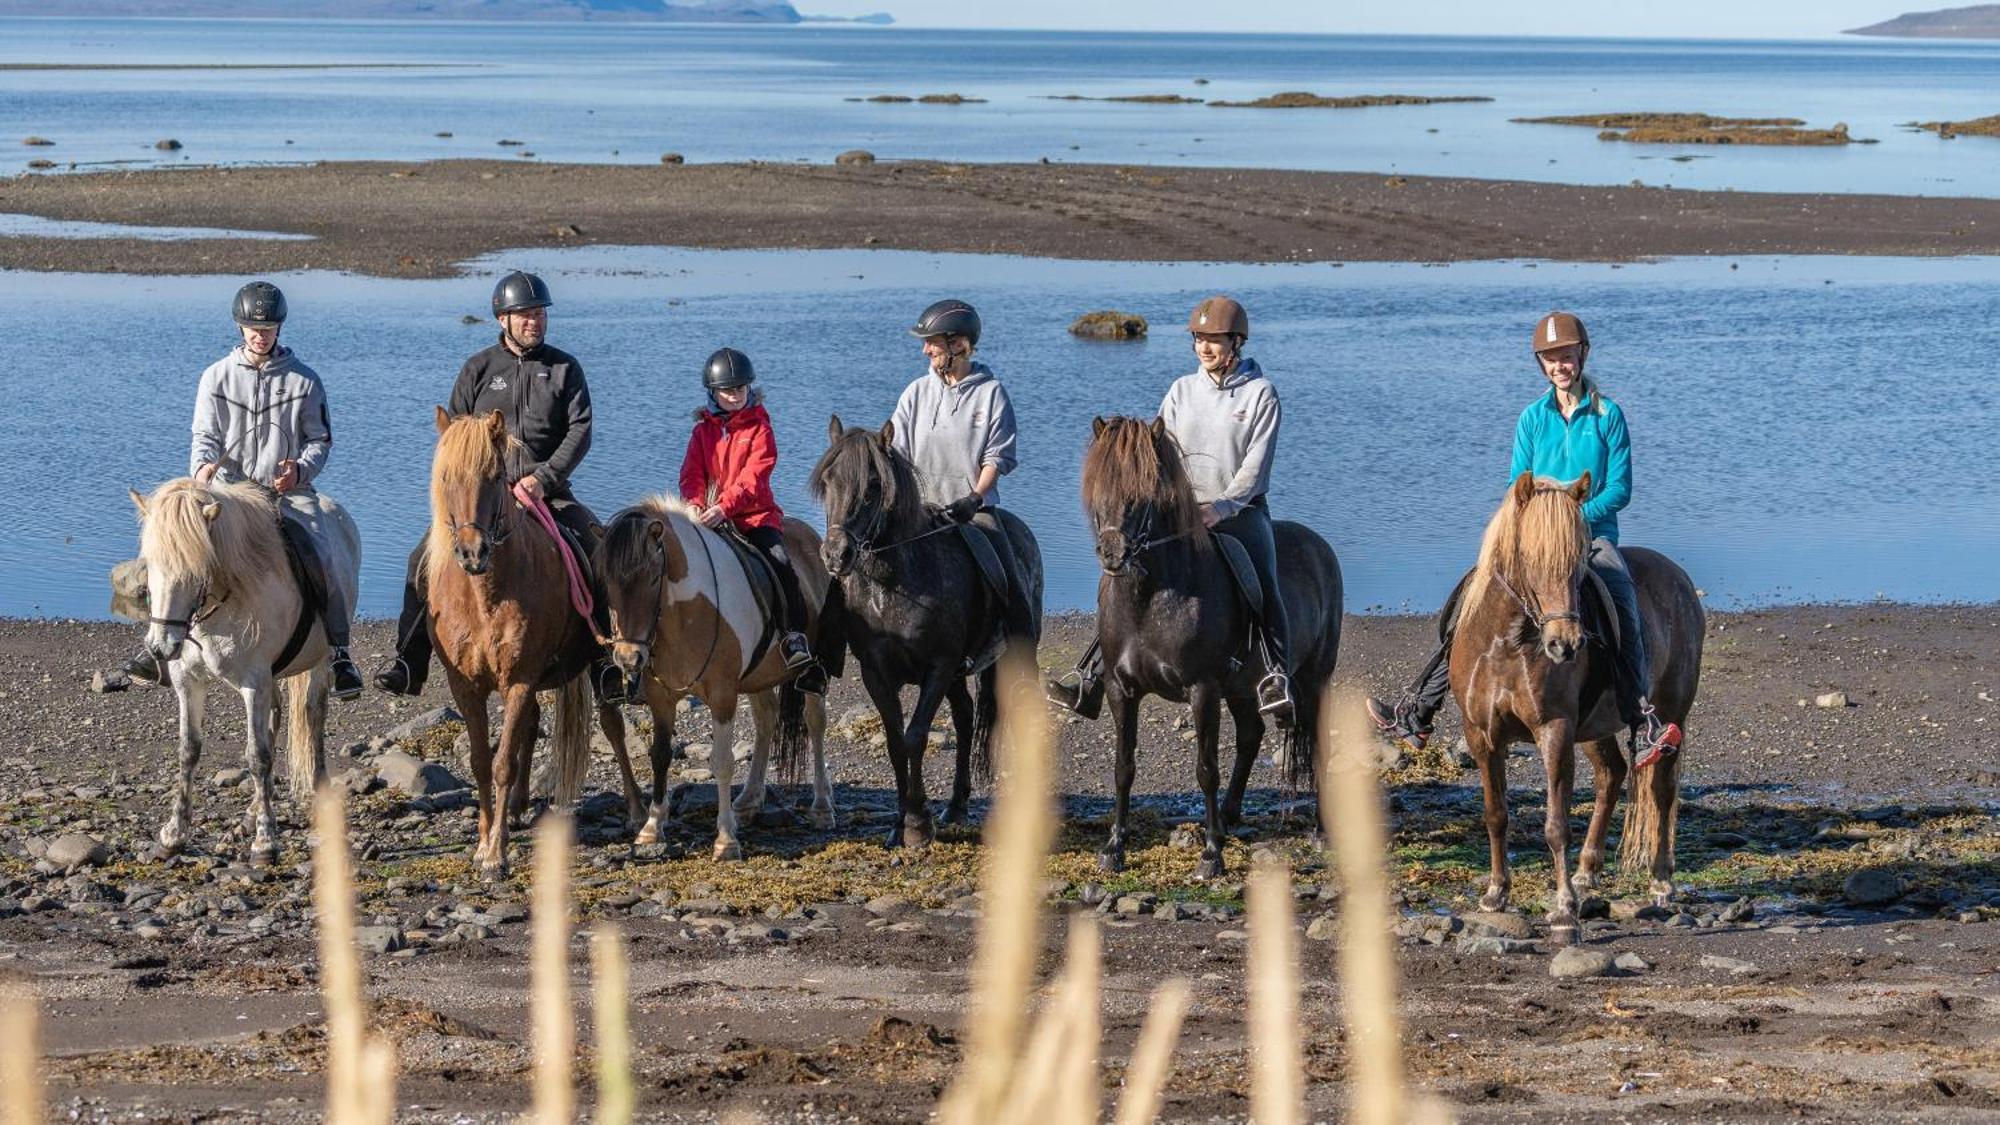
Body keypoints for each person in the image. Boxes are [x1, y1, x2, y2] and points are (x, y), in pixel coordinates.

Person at [1367, 311, 1682, 767]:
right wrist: (1540, 526)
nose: (1560, 366)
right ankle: (1419, 710)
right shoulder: (1532, 418)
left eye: (1567, 357)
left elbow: (1619, 489)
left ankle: (1641, 721)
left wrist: (1570, 519)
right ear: (1542, 364)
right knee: (1468, 600)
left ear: (1582, 356)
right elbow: (1520, 486)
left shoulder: (1608, 415)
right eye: (1551, 359)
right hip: (1533, 542)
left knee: (1623, 603)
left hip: (1591, 538)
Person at [372, 270, 623, 701]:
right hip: (483, 498)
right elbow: (453, 437)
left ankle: (605, 667)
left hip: (550, 492)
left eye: (540, 314)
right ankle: (409, 662)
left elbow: (581, 431)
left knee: (597, 547)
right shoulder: (478, 369)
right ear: (501, 319)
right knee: (420, 559)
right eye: (525, 314)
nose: (535, 322)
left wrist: (543, 480)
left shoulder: (565, 369)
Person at [1047, 295, 1293, 724]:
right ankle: (1090, 675)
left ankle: (1275, 675)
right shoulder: (1181, 390)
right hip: (1180, 516)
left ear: (1237, 342)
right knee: (1121, 580)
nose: (1204, 348)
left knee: (1263, 582)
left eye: (1214, 340)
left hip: (1241, 513)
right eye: (1199, 339)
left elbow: (1257, 465)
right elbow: (1157, 456)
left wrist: (1223, 506)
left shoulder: (1260, 394)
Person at [121, 281, 364, 699]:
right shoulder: (216, 377)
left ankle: (339, 652)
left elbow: (319, 441)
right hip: (228, 493)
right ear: (240, 327)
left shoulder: (305, 381)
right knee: (164, 550)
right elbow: (203, 437)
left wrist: (299, 470)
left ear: (279, 329)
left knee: (323, 554)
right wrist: (203, 470)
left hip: (286, 492)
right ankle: (155, 646)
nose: (260, 334)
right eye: (253, 327)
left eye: (268, 327)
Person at [888, 298, 1038, 644]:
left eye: (932, 342)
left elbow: (996, 458)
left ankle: (1021, 662)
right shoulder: (915, 393)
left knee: (1010, 585)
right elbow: (897, 453)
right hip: (921, 512)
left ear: (958, 344)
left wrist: (975, 498)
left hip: (973, 513)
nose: (925, 350)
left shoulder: (992, 394)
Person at [679, 347, 825, 693]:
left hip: (755, 518)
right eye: (728, 390)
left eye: (740, 389)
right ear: (713, 393)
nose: (735, 395)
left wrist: (724, 507)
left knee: (782, 567)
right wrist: (695, 505)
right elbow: (690, 475)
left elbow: (754, 478)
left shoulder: (760, 427)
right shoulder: (702, 432)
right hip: (707, 518)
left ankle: (793, 639)